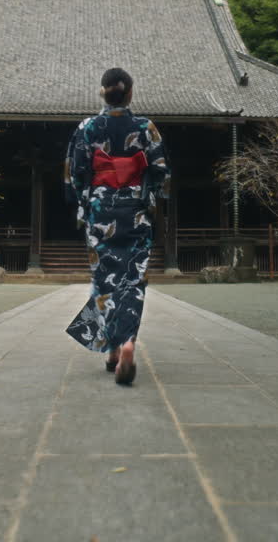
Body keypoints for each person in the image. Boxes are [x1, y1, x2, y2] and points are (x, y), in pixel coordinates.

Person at [64, 68, 170, 385]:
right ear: (130, 93)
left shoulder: (88, 127)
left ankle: (112, 349)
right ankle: (126, 344)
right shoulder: (145, 127)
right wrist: (149, 197)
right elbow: (161, 172)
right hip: (135, 211)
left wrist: (83, 203)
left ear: (103, 93)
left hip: (100, 212)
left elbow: (75, 173)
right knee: (133, 279)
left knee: (105, 278)